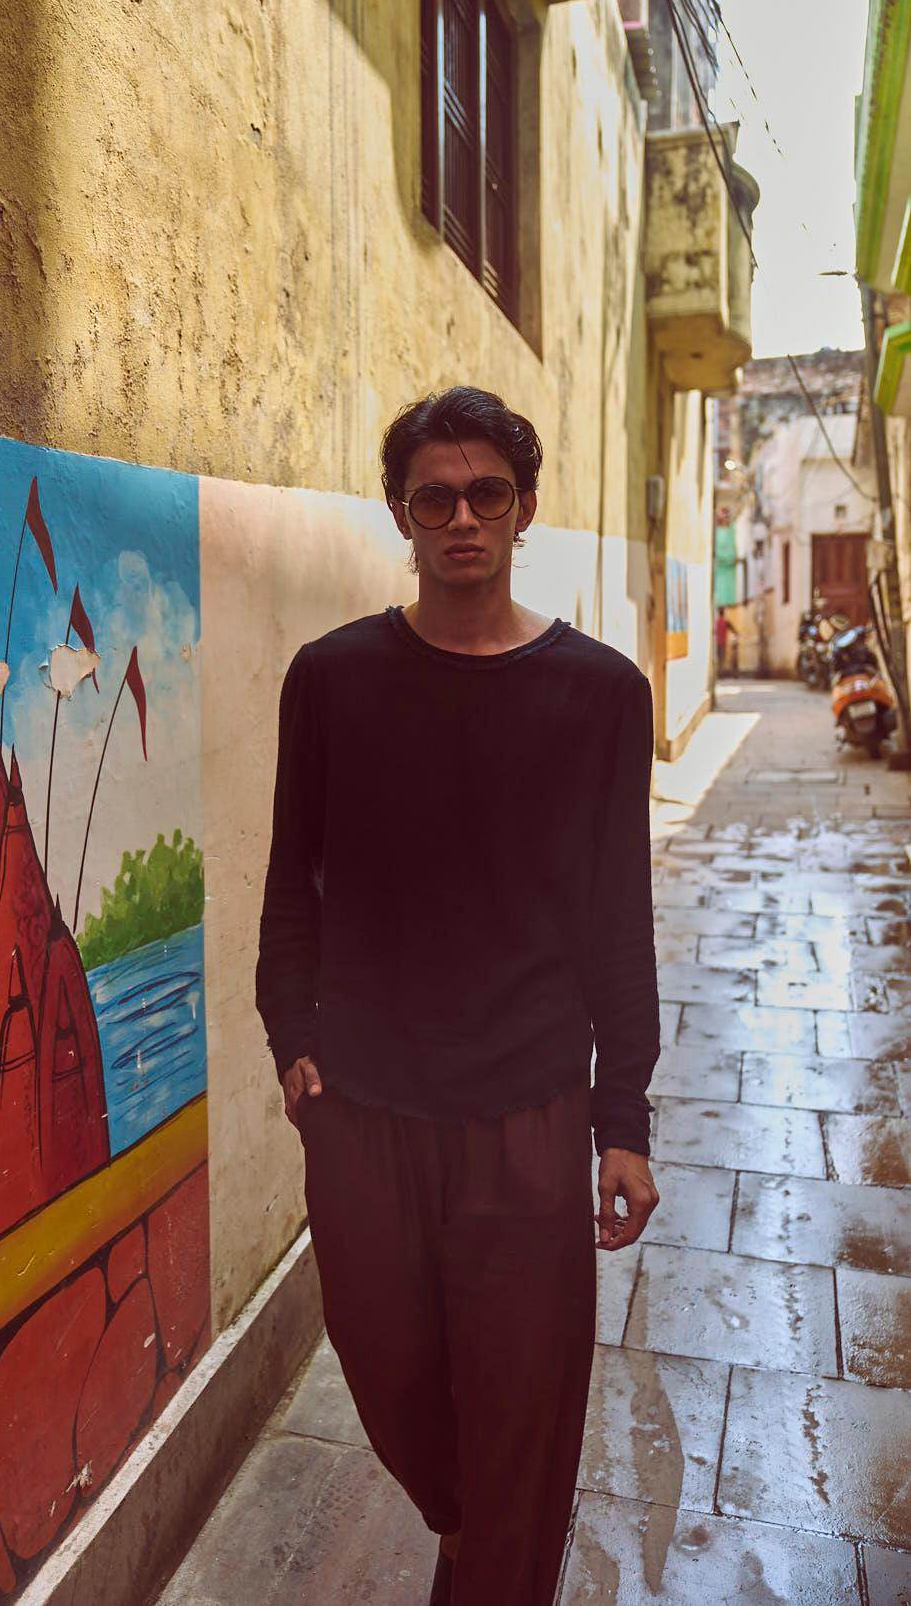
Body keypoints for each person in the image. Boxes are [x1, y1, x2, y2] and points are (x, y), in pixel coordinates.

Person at [255, 386, 661, 1606]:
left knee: (523, 1422)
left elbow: (617, 912)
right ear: (401, 514)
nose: (462, 518)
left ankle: (490, 1566)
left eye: (487, 493)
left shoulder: (599, 692)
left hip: (527, 1110)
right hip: (365, 1106)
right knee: (390, 1377)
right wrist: (291, 1033)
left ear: (524, 506)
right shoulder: (330, 678)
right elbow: (291, 875)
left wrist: (622, 1117)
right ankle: (474, 1534)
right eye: (434, 498)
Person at [715, 605, 739, 675]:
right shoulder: (726, 621)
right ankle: (721, 672)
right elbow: (733, 629)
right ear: (723, 613)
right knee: (722, 657)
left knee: (718, 657)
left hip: (716, 642)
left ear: (719, 613)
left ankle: (718, 671)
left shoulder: (716, 622)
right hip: (723, 642)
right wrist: (736, 634)